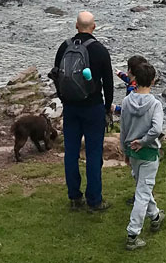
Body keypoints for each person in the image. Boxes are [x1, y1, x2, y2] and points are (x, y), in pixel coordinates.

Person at [50, 11, 114, 212]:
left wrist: (63, 99)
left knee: (71, 153)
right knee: (94, 155)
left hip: (70, 108)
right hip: (93, 108)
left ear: (76, 26)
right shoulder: (100, 51)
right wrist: (107, 109)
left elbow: (57, 76)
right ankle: (95, 201)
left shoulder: (64, 47)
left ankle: (74, 197)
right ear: (94, 27)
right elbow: (109, 85)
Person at [119, 56, 165, 250]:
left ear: (134, 79)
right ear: (153, 81)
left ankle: (155, 216)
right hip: (148, 153)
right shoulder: (155, 105)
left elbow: (123, 128)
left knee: (142, 186)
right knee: (143, 193)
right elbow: (156, 129)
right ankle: (133, 234)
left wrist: (125, 150)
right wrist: (144, 141)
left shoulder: (127, 101)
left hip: (132, 151)